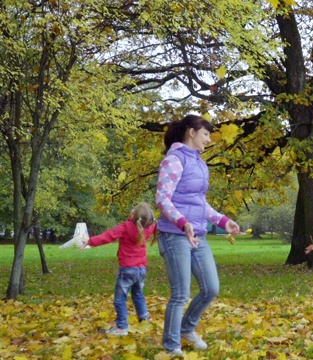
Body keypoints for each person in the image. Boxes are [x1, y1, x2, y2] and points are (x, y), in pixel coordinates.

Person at [155, 114, 241, 355]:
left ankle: (186, 328)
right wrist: (182, 222)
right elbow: (162, 198)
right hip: (174, 234)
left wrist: (223, 221)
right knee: (181, 293)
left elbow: (200, 203)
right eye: (206, 134)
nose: (209, 140)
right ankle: (172, 347)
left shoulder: (200, 164)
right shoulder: (174, 160)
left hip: (198, 235)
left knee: (211, 288)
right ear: (191, 132)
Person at [81, 202, 156, 336]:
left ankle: (122, 327)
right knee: (138, 295)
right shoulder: (150, 227)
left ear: (133, 215)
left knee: (120, 299)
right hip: (141, 269)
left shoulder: (126, 227)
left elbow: (108, 236)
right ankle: (144, 322)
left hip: (128, 269)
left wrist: (90, 241)